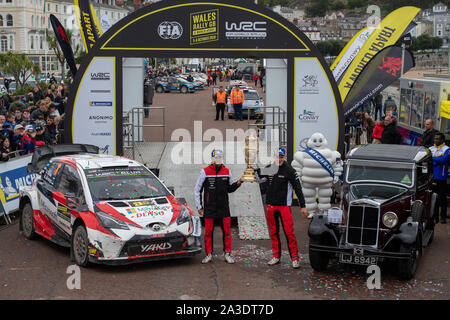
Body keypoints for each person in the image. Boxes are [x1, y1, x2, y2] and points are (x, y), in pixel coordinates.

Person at [256, 147, 307, 268]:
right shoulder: (269, 168)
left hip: (284, 206)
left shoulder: (290, 171)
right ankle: (276, 256)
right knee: (273, 232)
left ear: (284, 157)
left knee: (289, 232)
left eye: (281, 157)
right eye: (277, 157)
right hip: (270, 206)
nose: (279, 159)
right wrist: (254, 171)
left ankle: (294, 258)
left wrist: (303, 206)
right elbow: (260, 180)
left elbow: (298, 189)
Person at [194, 149, 243, 264]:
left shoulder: (227, 171)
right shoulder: (204, 172)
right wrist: (199, 207)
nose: (218, 160)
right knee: (208, 232)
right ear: (212, 159)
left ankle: (227, 254)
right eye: (216, 158)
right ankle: (209, 254)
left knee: (227, 232)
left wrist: (239, 182)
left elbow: (230, 189)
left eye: (220, 158)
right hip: (209, 208)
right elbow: (197, 190)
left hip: (224, 208)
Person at [429, 132, 449, 224]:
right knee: (433, 198)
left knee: (442, 198)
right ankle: (435, 216)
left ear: (442, 140)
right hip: (432, 177)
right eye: (435, 138)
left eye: (437, 139)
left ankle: (443, 217)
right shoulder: (430, 149)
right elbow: (427, 160)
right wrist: (436, 160)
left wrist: (433, 159)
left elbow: (444, 160)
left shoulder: (447, 149)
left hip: (441, 177)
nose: (435, 140)